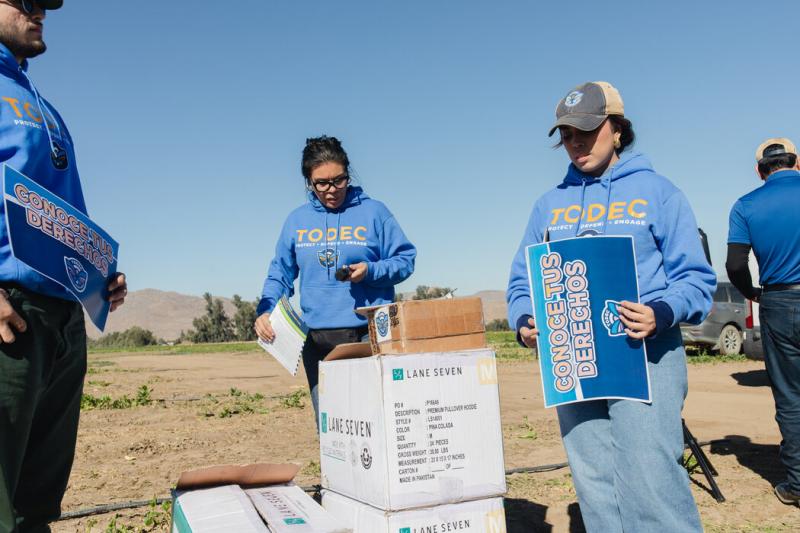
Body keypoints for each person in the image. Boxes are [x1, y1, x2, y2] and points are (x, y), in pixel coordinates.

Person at [506, 81, 715, 532]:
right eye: (566, 135)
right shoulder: (548, 205)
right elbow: (522, 280)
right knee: (594, 482)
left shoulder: (659, 193)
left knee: (651, 479)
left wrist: (661, 311)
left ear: (617, 129)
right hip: (573, 359)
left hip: (644, 358)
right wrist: (525, 321)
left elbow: (697, 281)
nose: (576, 143)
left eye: (587, 130)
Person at [0, 1, 128, 531]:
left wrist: (97, 274)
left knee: (37, 503)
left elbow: (57, 207)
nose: (40, 11)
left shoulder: (38, 101)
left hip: (62, 317)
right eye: (24, 0)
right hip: (9, 317)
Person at [254, 136, 415, 424]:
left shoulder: (375, 212)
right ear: (309, 182)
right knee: (331, 427)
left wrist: (371, 271)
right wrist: (265, 310)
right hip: (317, 342)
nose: (332, 190)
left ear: (348, 174)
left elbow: (405, 260)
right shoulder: (296, 221)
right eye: (322, 183)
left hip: (370, 334)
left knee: (376, 423)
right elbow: (280, 272)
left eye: (339, 180)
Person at [726, 137, 800, 506]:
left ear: (759, 171)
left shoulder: (746, 206)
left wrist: (752, 292)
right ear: (797, 162)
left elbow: (736, 265)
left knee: (790, 395)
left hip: (779, 300)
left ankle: (798, 484)